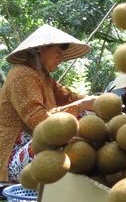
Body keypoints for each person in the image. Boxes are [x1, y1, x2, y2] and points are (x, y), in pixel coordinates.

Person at [0, 25, 98, 183]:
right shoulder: (21, 74)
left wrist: (97, 101)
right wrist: (81, 106)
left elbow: (69, 97)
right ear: (41, 49)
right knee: (67, 129)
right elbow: (38, 120)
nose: (60, 59)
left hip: (37, 143)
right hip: (12, 157)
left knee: (81, 120)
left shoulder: (44, 77)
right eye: (58, 54)